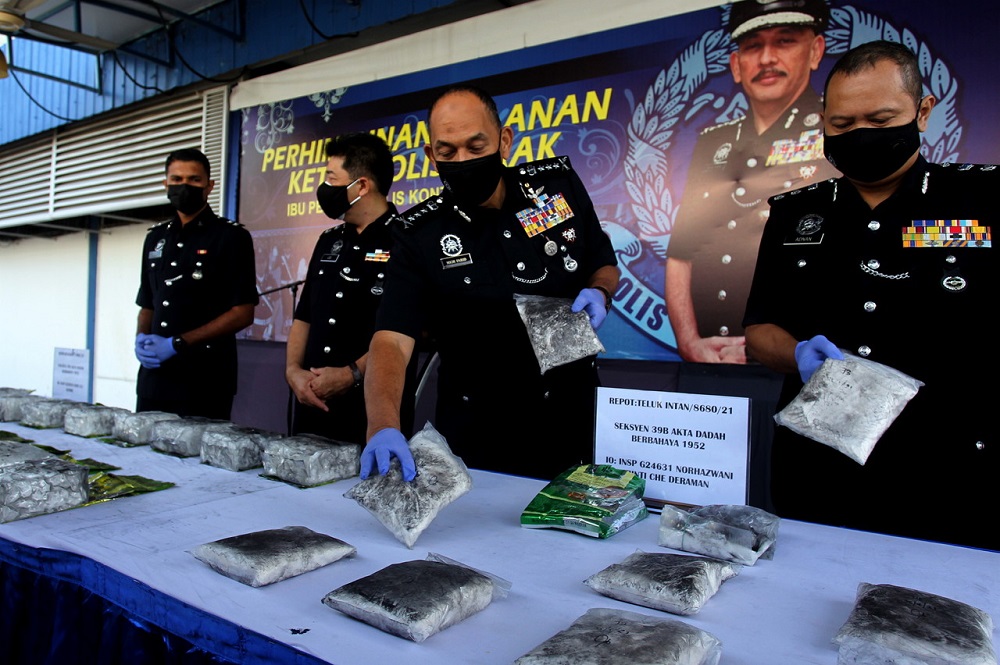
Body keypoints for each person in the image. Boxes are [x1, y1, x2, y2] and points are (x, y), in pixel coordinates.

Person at [743, 40, 997, 551]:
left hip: (949, 467)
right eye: (842, 124)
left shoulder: (983, 199)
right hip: (818, 463)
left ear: (922, 111)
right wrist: (797, 354)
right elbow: (760, 330)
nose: (860, 134)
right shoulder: (795, 214)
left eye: (880, 120)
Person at [361, 84, 620, 482]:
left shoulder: (557, 187)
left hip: (574, 418)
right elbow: (392, 340)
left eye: (475, 146)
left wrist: (600, 292)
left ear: (504, 140)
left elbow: (603, 262)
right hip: (480, 437)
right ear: (431, 155)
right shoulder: (418, 234)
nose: (462, 160)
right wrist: (382, 424)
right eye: (447, 152)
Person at [665, 0, 839, 363]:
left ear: (815, 51)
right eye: (753, 46)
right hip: (712, 359)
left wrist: (787, 352)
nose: (766, 59)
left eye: (785, 41)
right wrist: (689, 342)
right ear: (736, 65)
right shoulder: (713, 142)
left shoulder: (837, 129)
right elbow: (681, 252)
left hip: (798, 362)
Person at [285, 132, 416, 443]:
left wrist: (350, 375)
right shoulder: (329, 240)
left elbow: (407, 333)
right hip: (312, 406)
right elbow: (304, 317)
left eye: (332, 178)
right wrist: (293, 371)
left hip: (370, 415)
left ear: (361, 186)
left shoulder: (407, 241)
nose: (324, 187)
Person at [134, 148, 259, 419]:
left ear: (209, 186)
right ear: (166, 184)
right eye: (176, 180)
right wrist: (141, 339)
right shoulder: (155, 238)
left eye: (194, 180)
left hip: (204, 381)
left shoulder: (231, 237)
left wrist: (177, 343)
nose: (184, 186)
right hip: (154, 380)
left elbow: (242, 313)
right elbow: (147, 304)